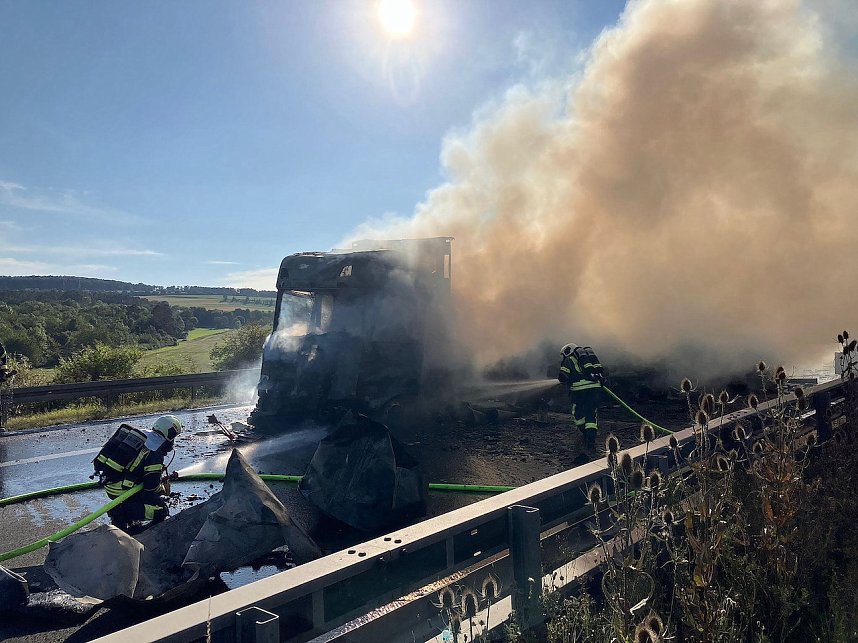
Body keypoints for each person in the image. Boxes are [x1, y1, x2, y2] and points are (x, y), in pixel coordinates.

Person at [93, 415, 183, 532]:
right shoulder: (155, 451)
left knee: (150, 499)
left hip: (110, 485)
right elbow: (150, 486)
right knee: (161, 510)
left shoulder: (142, 436)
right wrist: (160, 488)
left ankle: (127, 513)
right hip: (123, 491)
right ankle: (122, 512)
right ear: (170, 435)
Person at [558, 343, 605, 448]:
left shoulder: (568, 360)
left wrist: (569, 380)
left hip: (579, 391)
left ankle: (584, 433)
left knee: (577, 413)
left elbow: (562, 376)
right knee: (591, 413)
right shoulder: (589, 361)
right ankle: (591, 438)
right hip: (594, 389)